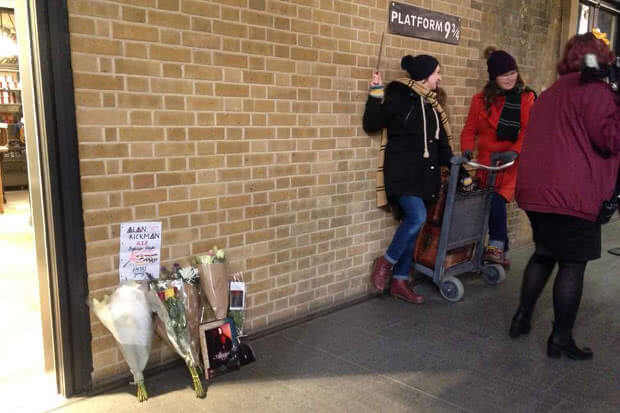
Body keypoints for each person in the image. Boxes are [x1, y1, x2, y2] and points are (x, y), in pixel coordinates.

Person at [511, 32, 620, 360]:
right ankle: (560, 338)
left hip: (536, 192)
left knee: (543, 254)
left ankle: (521, 319)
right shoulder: (597, 93)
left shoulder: (551, 91)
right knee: (572, 265)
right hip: (573, 196)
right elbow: (610, 140)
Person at [363, 54, 454, 304]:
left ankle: (400, 281)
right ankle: (386, 263)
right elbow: (371, 123)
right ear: (425, 76)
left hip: (425, 177)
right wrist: (375, 93)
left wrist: (461, 172)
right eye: (437, 72)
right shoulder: (400, 98)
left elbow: (442, 144)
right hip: (402, 175)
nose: (440, 77)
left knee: (414, 227)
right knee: (417, 217)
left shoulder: (433, 106)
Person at [460, 47, 536, 268]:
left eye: (513, 72)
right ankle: (502, 252)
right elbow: (469, 130)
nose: (510, 78)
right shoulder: (479, 100)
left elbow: (528, 130)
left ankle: (494, 246)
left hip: (511, 162)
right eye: (504, 75)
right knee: (488, 204)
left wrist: (516, 151)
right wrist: (466, 150)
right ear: (494, 78)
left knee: (496, 200)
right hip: (485, 162)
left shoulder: (525, 98)